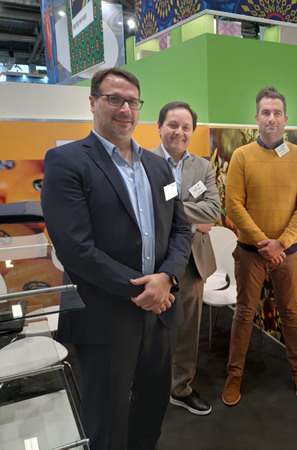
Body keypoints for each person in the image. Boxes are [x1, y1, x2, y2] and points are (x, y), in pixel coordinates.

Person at [41, 68, 192, 449]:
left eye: (132, 102)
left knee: (151, 408)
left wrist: (167, 278)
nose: (125, 109)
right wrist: (145, 289)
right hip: (104, 314)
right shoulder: (66, 162)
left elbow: (180, 229)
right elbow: (76, 249)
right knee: (106, 419)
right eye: (114, 99)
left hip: (159, 314)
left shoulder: (159, 167)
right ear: (93, 102)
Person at [222, 86, 297, 406]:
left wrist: (282, 243)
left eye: (277, 113)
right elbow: (234, 205)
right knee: (244, 313)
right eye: (266, 112)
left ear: (286, 119)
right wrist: (265, 243)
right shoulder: (241, 155)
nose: (271, 118)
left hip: (288, 253)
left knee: (290, 313)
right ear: (256, 118)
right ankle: (234, 375)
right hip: (251, 252)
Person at [150, 101, 221, 416]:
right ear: (159, 127)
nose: (179, 132)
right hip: (153, 260)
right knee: (150, 326)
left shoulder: (202, 167)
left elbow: (214, 209)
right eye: (173, 125)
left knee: (188, 329)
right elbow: (146, 210)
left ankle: (180, 388)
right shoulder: (143, 162)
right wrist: (192, 221)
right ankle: (150, 384)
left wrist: (172, 210)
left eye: (186, 127)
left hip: (192, 261)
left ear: (192, 131)